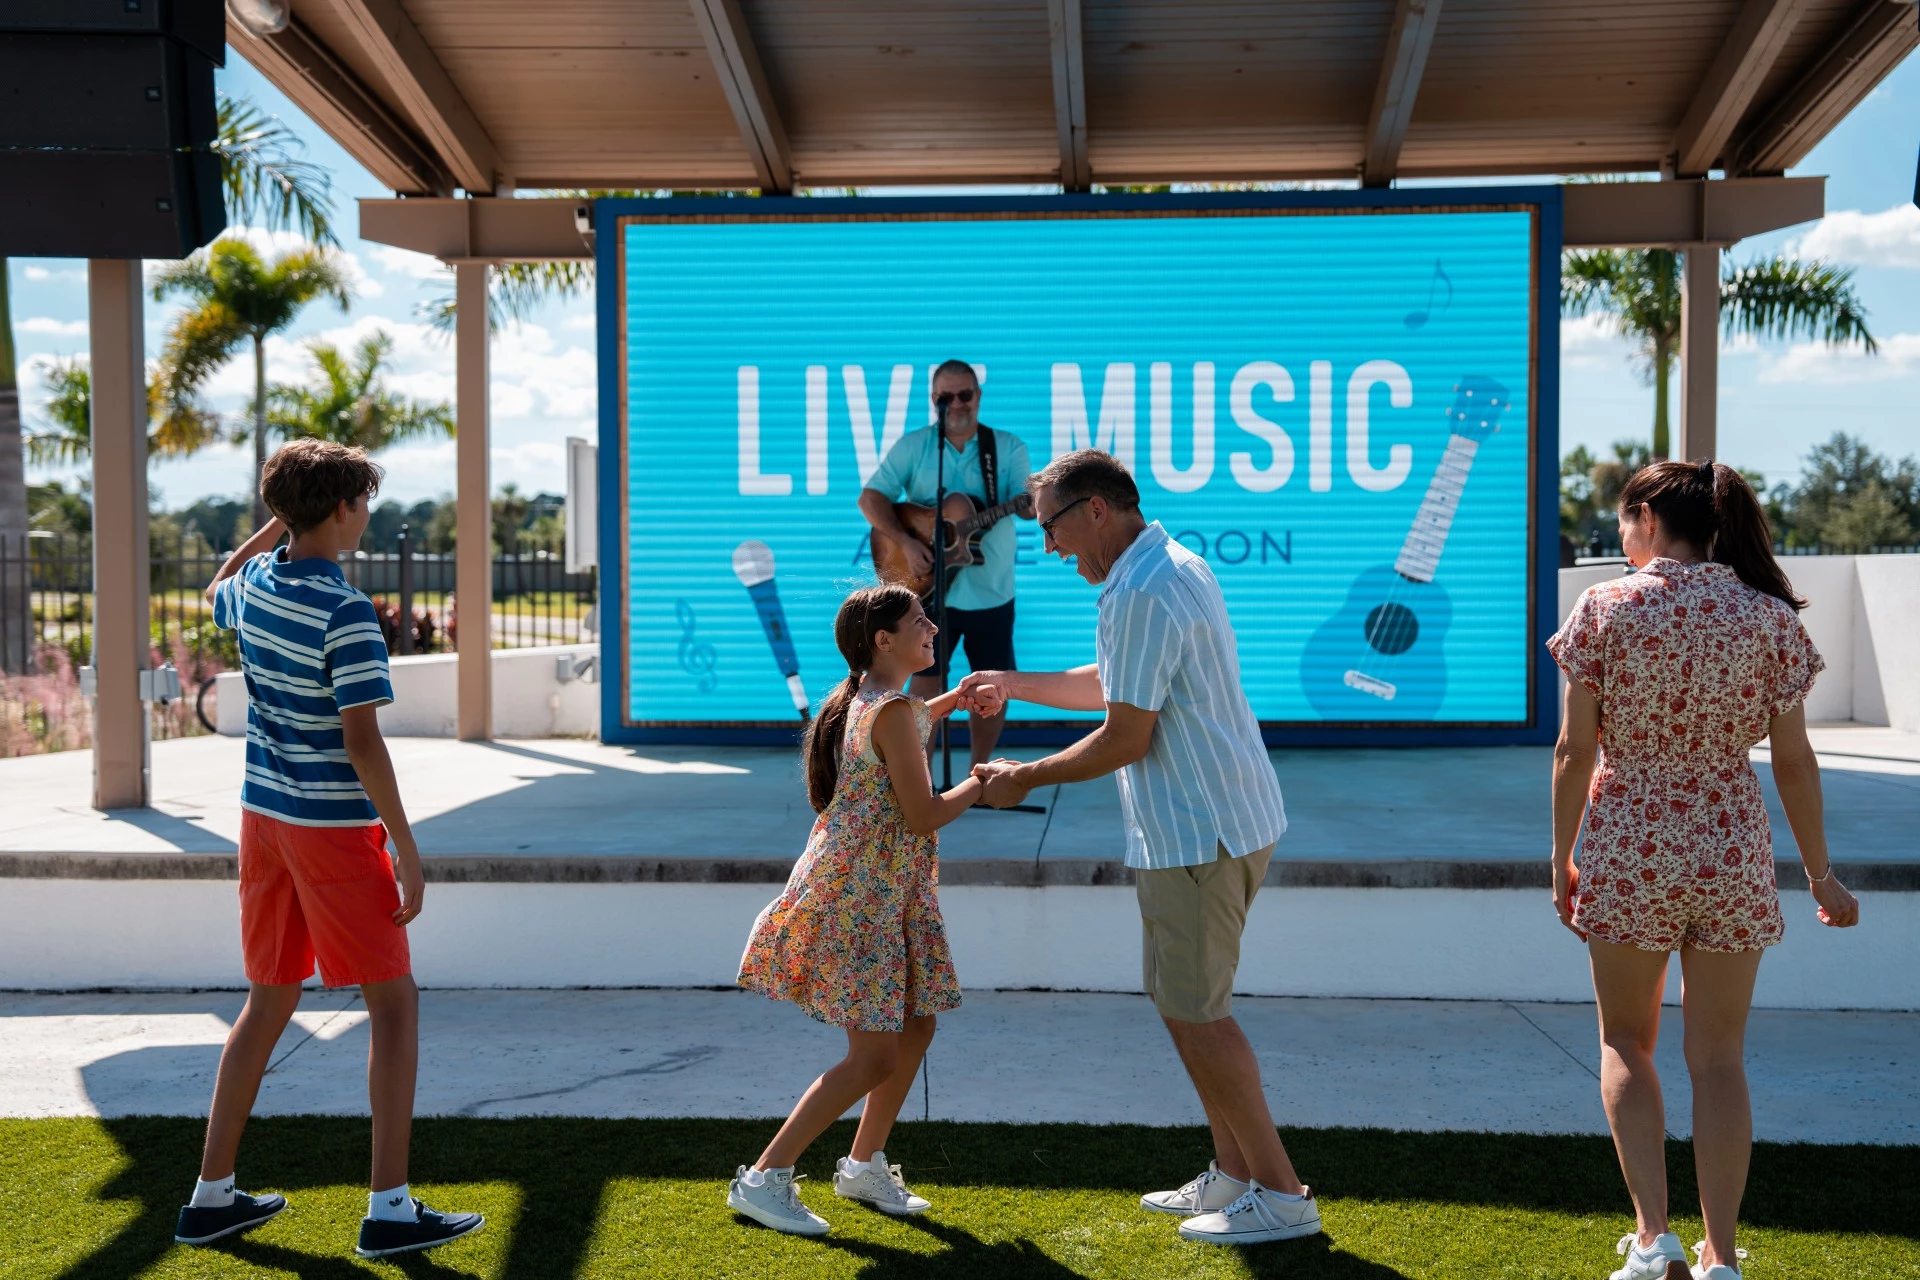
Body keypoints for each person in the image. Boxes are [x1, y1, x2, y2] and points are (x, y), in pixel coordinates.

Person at [963, 449, 1317, 1247]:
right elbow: (1117, 682)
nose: (1048, 547)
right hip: (1207, 828)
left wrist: (1025, 777)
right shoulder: (1161, 569)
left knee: (1200, 1014)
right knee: (1181, 1005)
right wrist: (1011, 681)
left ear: (1094, 509)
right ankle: (1233, 1173)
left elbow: (1125, 734)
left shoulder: (1146, 586)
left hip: (1200, 832)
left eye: (1050, 525)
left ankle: (1284, 1195)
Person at [1548, 460, 1859, 1280]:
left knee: (1627, 1040)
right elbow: (1794, 763)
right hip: (1731, 850)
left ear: (1648, 519)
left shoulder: (1604, 609)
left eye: (1622, 522)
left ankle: (1655, 1240)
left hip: (1629, 847)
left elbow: (1575, 750)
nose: (1620, 539)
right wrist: (1821, 874)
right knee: (1720, 1059)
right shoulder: (1765, 619)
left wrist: (1560, 854)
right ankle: (1722, 1257)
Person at [175, 441, 483, 1260]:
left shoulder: (253, 589)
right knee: (394, 1003)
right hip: (332, 832)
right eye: (362, 503)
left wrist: (274, 524)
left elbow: (215, 586)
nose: (367, 515)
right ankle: (389, 1210)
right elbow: (362, 745)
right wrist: (408, 849)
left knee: (268, 999)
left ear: (286, 515)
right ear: (342, 511)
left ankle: (210, 1197)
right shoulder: (347, 614)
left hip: (263, 822)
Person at [729, 584, 1004, 1236]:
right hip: (864, 902)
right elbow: (924, 812)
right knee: (875, 1055)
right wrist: (984, 779)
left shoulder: (876, 701)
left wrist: (953, 701)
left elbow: (908, 727)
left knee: (915, 1026)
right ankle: (765, 1177)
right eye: (918, 622)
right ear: (884, 640)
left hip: (881, 894)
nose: (933, 628)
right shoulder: (889, 711)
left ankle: (862, 1164)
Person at [858, 359, 1031, 769]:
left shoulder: (1006, 449)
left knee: (993, 686)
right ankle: (916, 778)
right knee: (924, 683)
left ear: (978, 397)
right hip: (927, 591)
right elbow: (870, 498)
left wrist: (1031, 504)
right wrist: (905, 542)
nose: (956, 404)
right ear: (934, 401)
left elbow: (1028, 504)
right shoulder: (916, 446)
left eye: (965, 395)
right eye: (946, 397)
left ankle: (982, 774)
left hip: (991, 590)